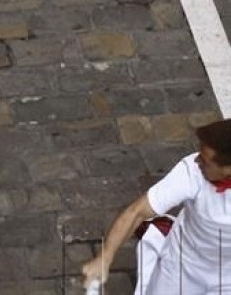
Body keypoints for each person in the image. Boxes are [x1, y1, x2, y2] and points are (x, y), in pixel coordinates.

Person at [81, 117, 231, 293]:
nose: (197, 161)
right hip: (182, 267)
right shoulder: (192, 172)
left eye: (206, 161)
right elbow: (137, 212)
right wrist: (105, 257)